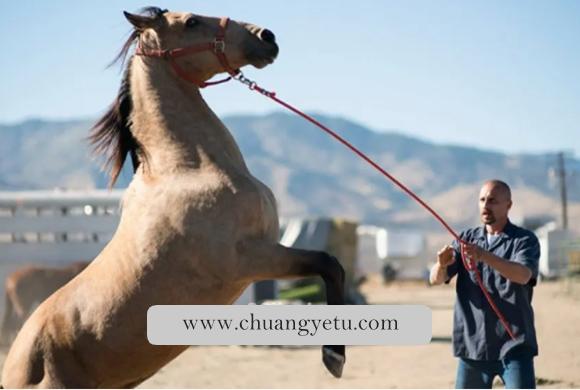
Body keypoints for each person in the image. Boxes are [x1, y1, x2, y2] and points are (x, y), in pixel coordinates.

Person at [430, 180, 540, 389]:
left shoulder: (524, 240)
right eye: (482, 200)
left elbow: (523, 275)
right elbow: (435, 279)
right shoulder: (465, 239)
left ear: (508, 205)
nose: (486, 206)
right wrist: (440, 265)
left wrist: (483, 256)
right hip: (474, 348)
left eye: (493, 201)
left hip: (514, 346)